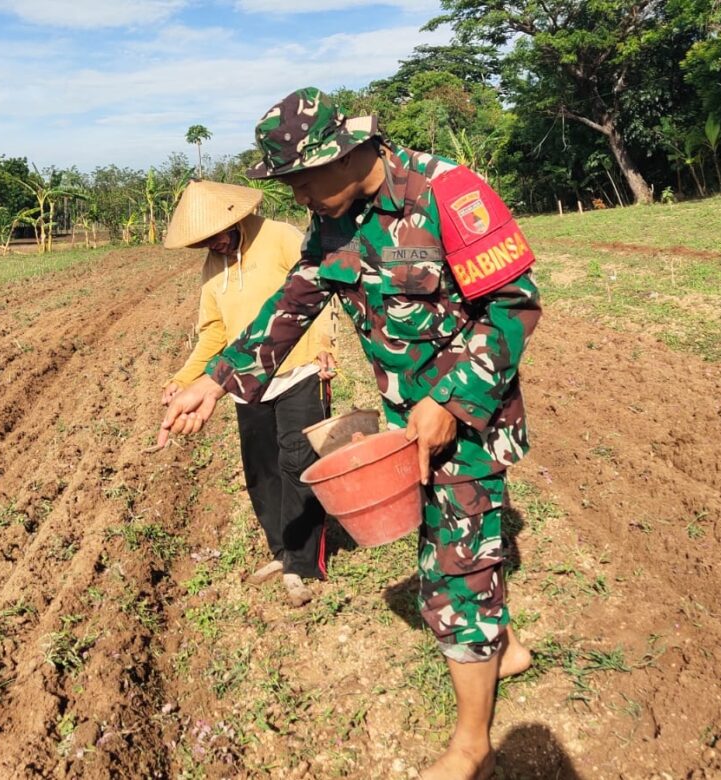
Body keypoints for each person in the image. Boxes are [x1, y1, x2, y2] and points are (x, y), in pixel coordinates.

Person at [159, 89, 542, 780]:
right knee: (451, 549)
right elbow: (292, 303)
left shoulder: (448, 193)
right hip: (406, 422)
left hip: (470, 422)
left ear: (351, 151)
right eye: (289, 183)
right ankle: (501, 646)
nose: (299, 193)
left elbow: (516, 303)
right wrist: (215, 381)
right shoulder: (330, 222)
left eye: (305, 176)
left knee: (453, 572)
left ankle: (472, 747)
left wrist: (452, 400)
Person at [161, 179, 337, 607]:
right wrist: (185, 378)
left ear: (236, 217)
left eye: (218, 234)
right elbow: (213, 333)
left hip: (298, 370)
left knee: (299, 461)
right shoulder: (212, 266)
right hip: (244, 382)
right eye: (204, 241)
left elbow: (317, 293)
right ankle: (281, 550)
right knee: (262, 470)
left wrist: (327, 345)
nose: (215, 244)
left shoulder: (279, 236)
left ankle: (302, 562)